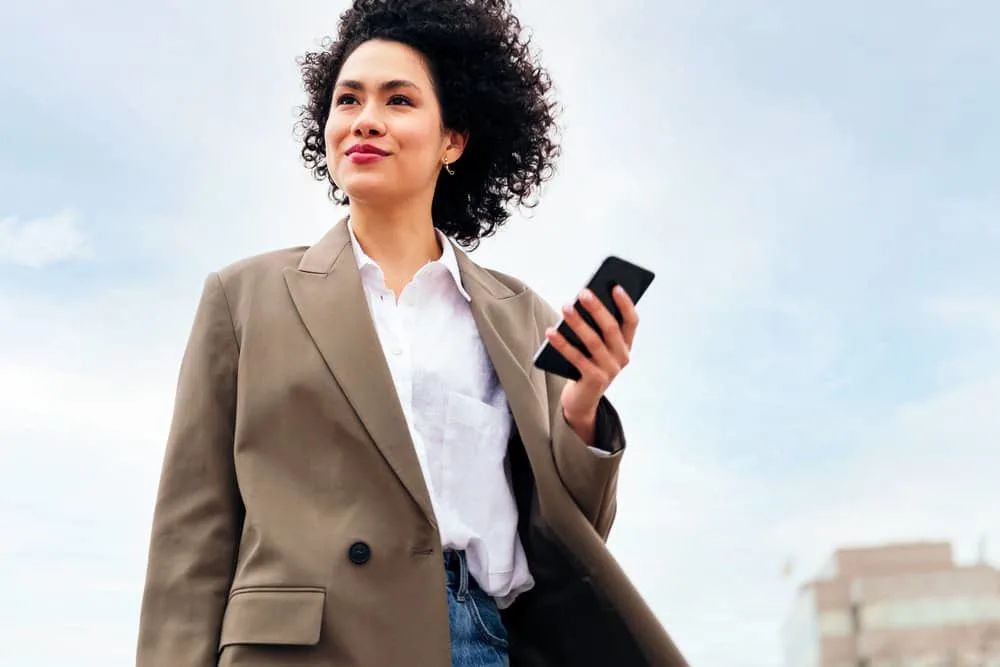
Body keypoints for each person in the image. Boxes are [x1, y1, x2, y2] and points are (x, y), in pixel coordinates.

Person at [135, 0, 688, 665]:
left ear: (453, 140)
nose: (365, 120)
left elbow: (574, 539)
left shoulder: (518, 314)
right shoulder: (244, 296)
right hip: (298, 650)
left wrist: (581, 406)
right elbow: (191, 535)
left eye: (398, 100)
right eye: (348, 100)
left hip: (475, 640)